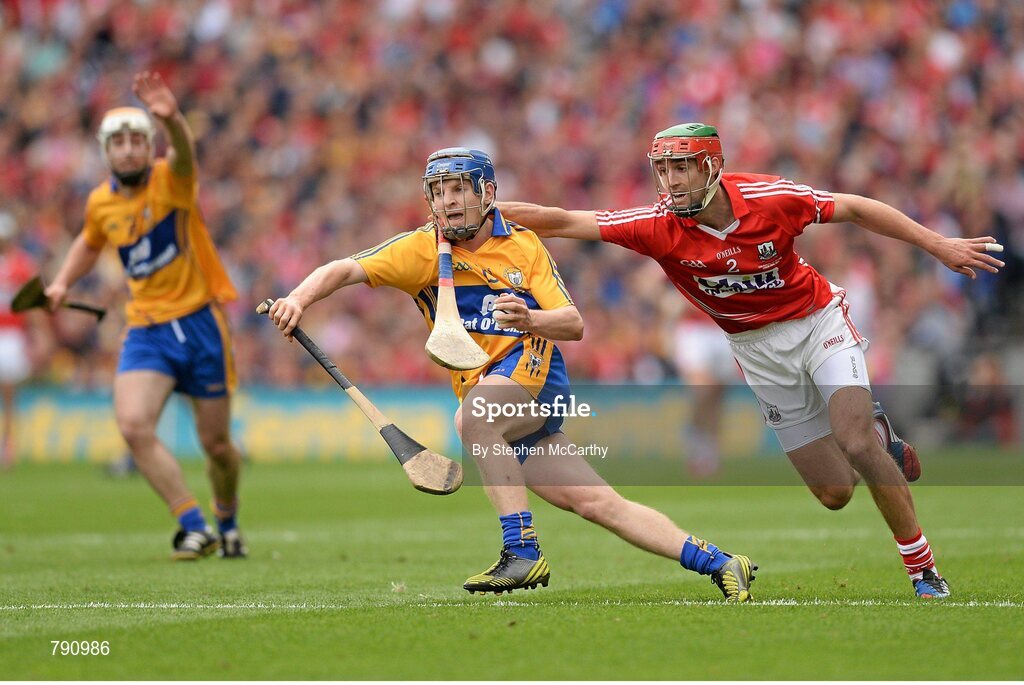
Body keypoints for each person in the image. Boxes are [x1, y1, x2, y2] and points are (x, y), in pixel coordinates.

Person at [498, 123, 1006, 599]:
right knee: (834, 493)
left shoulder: (772, 199)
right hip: (756, 353)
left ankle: (922, 569)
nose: (670, 181)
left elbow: (854, 207)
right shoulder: (655, 224)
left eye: (682, 169)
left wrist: (939, 245)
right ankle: (882, 443)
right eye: (663, 169)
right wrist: (481, 213)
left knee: (853, 438)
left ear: (711, 168)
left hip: (817, 324)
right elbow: (563, 221)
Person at [268, 147, 758, 601]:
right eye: (439, 192)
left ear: (487, 194)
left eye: (460, 188)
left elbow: (574, 323)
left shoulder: (522, 246)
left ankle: (522, 553)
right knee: (599, 504)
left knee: (474, 418)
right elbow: (344, 269)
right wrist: (298, 299)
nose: (449, 201)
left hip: (533, 373)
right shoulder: (420, 250)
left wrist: (530, 319)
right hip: (497, 397)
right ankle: (720, 562)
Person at [45, 72, 246, 560]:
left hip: (200, 324)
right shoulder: (101, 202)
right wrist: (62, 284)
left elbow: (184, 154)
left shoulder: (170, 181)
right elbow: (89, 242)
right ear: (106, 152)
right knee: (134, 425)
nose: (131, 150)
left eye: (139, 140)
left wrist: (172, 119)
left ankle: (228, 519)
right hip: (147, 329)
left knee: (216, 446)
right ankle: (193, 525)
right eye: (121, 143)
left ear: (148, 145)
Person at [0, 212, 37, 468]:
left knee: (9, 393)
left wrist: (36, 336)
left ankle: (8, 444)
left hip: (11, 335)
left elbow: (32, 305)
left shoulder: (22, 265)